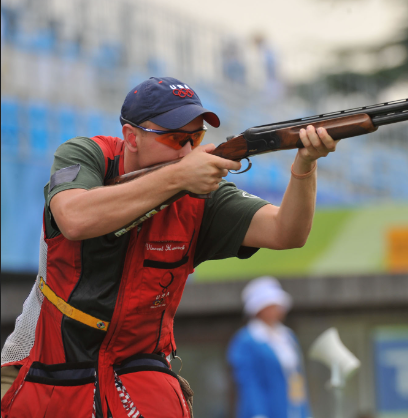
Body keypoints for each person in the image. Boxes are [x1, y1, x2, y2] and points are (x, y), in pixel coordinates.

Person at [0, 77, 336, 418]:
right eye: (176, 138)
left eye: (196, 138)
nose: (188, 152)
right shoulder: (88, 155)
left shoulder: (201, 194)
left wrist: (305, 166)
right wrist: (178, 177)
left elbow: (287, 232)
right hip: (47, 370)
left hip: (140, 372)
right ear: (132, 137)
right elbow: (74, 218)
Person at [228, 276, 311, 418]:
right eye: (271, 306)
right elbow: (249, 383)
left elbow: (297, 377)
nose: (277, 310)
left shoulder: (288, 335)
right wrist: (258, 413)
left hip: (293, 409)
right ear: (259, 309)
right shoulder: (246, 340)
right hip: (266, 412)